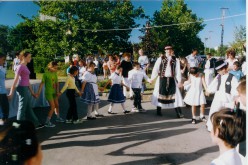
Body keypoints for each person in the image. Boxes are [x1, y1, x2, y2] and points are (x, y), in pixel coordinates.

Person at [8, 51, 44, 129]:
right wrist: (11, 92)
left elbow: (27, 81)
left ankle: (36, 123)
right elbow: (15, 80)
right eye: (29, 57)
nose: (30, 58)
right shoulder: (20, 66)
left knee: (28, 107)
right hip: (22, 88)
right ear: (23, 57)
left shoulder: (25, 66)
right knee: (22, 109)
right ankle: (16, 127)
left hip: (25, 88)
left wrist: (32, 93)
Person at [151, 46, 185, 117]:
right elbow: (155, 69)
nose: (168, 51)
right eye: (167, 50)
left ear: (172, 50)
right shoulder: (160, 59)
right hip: (161, 79)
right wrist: (152, 78)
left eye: (170, 50)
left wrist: (179, 81)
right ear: (165, 50)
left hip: (172, 79)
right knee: (159, 94)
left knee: (176, 95)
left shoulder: (176, 60)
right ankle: (158, 110)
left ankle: (178, 113)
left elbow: (178, 71)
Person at [206, 60, 239, 131]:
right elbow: (212, 86)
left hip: (227, 99)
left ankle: (225, 129)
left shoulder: (232, 77)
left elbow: (236, 90)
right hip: (218, 98)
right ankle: (212, 127)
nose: (217, 72)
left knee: (226, 114)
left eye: (218, 70)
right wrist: (208, 90)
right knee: (214, 112)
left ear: (224, 69)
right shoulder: (218, 77)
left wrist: (235, 98)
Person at [36, 61, 64, 128]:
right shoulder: (46, 74)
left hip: (54, 92)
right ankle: (47, 122)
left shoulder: (54, 74)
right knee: (52, 107)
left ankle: (58, 117)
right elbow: (41, 84)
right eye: (55, 68)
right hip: (48, 93)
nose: (56, 69)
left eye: (56, 68)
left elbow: (57, 83)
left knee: (57, 105)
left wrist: (57, 91)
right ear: (50, 67)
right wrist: (38, 93)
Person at [0, 53, 9, 125]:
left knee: (5, 111)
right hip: (0, 93)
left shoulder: (2, 68)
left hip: (3, 92)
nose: (4, 61)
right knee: (3, 112)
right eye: (3, 59)